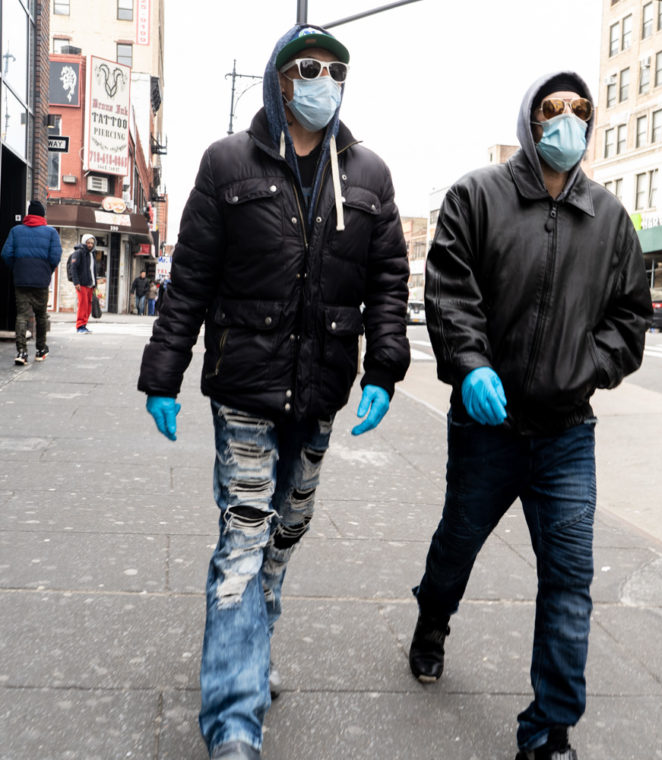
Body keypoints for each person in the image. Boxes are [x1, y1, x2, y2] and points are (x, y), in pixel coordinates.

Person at [137, 24, 410, 760]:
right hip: (245, 388)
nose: (326, 78)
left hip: (320, 387)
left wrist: (385, 367)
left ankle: (251, 648)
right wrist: (163, 372)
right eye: (310, 66)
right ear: (280, 78)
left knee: (286, 533)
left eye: (337, 68)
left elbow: (388, 282)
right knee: (246, 537)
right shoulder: (228, 162)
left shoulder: (369, 175)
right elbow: (190, 276)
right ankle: (232, 716)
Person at [408, 72, 652, 760]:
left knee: (571, 580)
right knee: (457, 545)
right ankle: (432, 621)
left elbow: (630, 318)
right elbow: (449, 290)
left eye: (581, 111)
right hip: (487, 427)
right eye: (554, 109)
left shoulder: (608, 220)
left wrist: (588, 368)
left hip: (567, 435)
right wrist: (472, 362)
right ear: (529, 120)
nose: (568, 122)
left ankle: (549, 731)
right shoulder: (476, 196)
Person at [1, 200, 61, 364]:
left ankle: (21, 353)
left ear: (29, 214)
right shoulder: (51, 233)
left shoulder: (16, 231)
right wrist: (47, 270)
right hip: (41, 280)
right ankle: (40, 350)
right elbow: (56, 256)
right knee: (41, 315)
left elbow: (6, 254)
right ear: (42, 215)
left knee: (22, 316)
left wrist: (17, 267)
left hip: (21, 279)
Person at [70, 233, 97, 333]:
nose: (90, 245)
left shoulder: (92, 254)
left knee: (88, 306)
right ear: (84, 242)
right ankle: (80, 326)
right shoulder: (79, 252)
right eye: (88, 242)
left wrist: (95, 284)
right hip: (81, 284)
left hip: (90, 284)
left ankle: (84, 325)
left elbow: (93, 270)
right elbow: (73, 268)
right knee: (83, 305)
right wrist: (76, 282)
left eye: (92, 243)